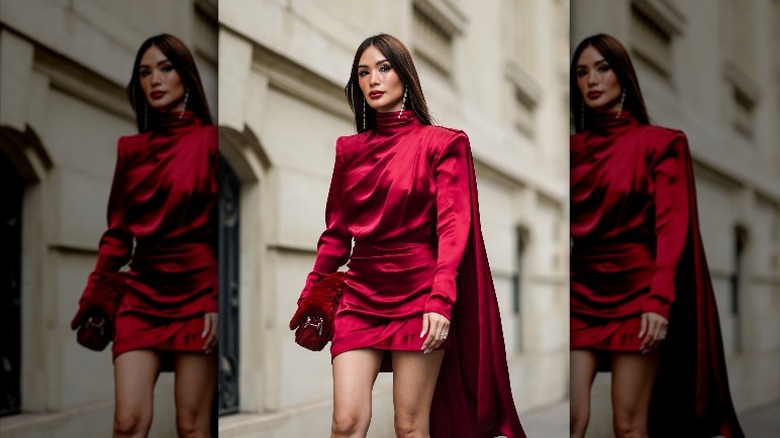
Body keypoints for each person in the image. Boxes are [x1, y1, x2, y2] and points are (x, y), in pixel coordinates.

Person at [296, 34, 525, 438]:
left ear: (405, 76)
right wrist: (311, 292)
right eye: (364, 72)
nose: (373, 80)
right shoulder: (349, 150)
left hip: (419, 295)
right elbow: (335, 234)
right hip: (359, 296)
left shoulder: (444, 144)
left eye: (384, 68)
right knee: (346, 421)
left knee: (409, 424)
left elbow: (454, 226)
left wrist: (441, 297)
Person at [569, 33, 744, 438]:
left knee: (628, 425)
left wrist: (659, 299)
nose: (591, 80)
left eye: (602, 68)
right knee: (574, 421)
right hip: (579, 296)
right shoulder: (571, 151)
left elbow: (671, 226)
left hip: (637, 295)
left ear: (623, 76)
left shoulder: (662, 144)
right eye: (581, 72)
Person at [70, 34, 218, 438]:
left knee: (192, 426)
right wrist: (94, 293)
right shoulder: (131, 150)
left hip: (196, 296)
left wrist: (213, 296)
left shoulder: (210, 142)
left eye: (166, 68)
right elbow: (117, 233)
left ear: (186, 76)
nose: (155, 80)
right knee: (127, 422)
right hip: (140, 295)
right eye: (145, 72)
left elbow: (218, 231)